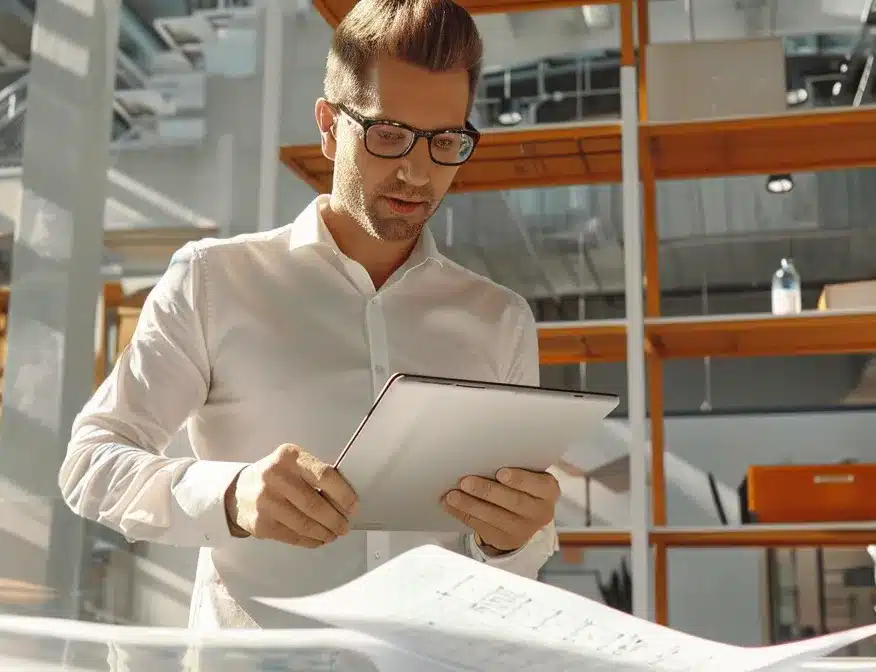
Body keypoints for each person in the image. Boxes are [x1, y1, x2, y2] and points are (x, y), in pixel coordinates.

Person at [59, 0, 560, 630]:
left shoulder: (500, 320)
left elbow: (517, 559)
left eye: (446, 142)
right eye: (388, 134)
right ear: (328, 126)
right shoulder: (215, 281)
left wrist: (515, 538)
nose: (416, 169)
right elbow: (91, 462)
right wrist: (234, 495)